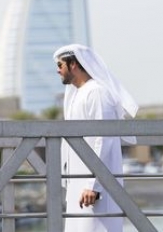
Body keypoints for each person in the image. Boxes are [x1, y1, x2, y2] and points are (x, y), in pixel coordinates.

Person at [53, 44, 138, 232]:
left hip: (95, 190)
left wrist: (94, 184)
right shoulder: (78, 95)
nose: (57, 70)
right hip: (80, 187)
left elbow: (104, 139)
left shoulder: (97, 92)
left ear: (73, 64)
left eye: (60, 65)